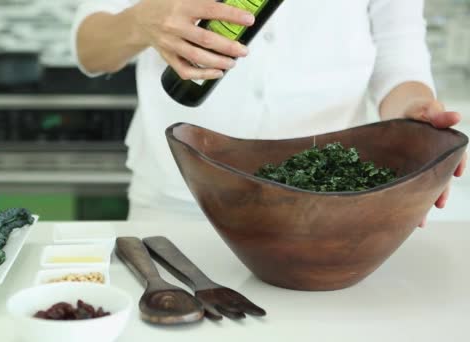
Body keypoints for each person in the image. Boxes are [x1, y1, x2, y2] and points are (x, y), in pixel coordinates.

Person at [71, 0, 466, 223]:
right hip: (176, 199)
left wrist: (414, 115)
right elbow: (90, 50)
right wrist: (141, 21)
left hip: (323, 201)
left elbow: (399, 55)